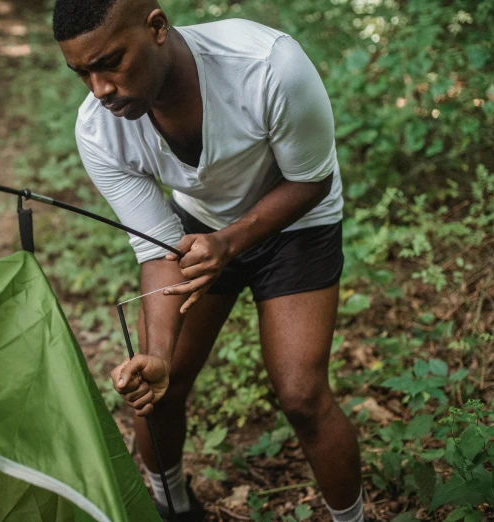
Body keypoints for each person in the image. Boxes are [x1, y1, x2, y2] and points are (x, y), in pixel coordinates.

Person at [52, 0, 363, 520]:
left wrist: (232, 242)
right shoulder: (99, 131)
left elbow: (312, 180)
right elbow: (156, 248)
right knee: (161, 387)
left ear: (156, 28)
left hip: (296, 218)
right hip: (197, 230)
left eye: (110, 63)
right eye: (81, 72)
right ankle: (173, 507)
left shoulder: (267, 65)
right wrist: (160, 357)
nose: (99, 89)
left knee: (302, 395)